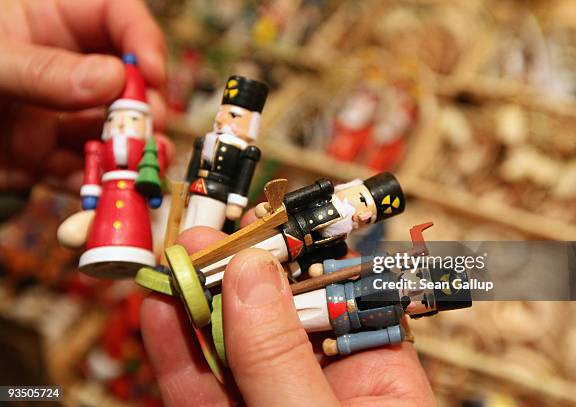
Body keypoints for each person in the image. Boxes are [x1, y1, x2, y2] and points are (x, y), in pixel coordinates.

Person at [0, 1, 435, 405]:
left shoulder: (352, 240)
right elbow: (293, 197)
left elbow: (336, 263)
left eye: (369, 208)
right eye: (229, 113)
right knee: (207, 242)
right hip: (264, 224)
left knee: (259, 279)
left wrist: (300, 257)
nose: (360, 208)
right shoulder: (315, 189)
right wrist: (265, 209)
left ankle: (208, 279)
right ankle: (202, 273)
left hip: (294, 252)